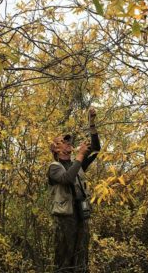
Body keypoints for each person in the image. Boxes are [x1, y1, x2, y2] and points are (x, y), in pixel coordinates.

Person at [48, 108, 100, 273]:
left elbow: (97, 148)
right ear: (56, 149)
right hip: (65, 217)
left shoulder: (76, 164)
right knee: (65, 256)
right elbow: (67, 179)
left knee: (81, 254)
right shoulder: (53, 167)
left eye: (69, 141)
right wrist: (79, 156)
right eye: (64, 141)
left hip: (80, 213)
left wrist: (92, 124)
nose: (69, 142)